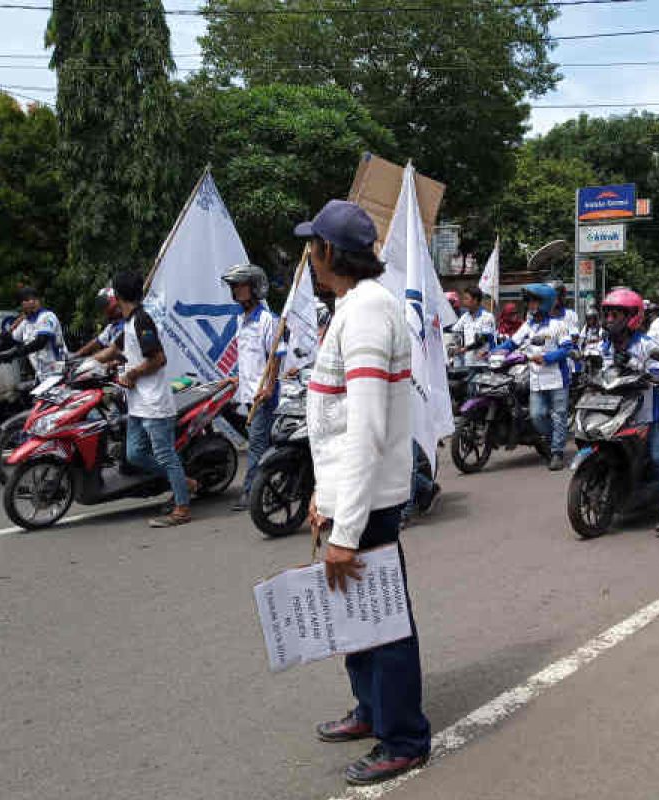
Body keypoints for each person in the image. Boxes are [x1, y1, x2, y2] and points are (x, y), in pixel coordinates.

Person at [296, 199, 431, 786]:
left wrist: (344, 532)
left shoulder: (370, 313)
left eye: (311, 245)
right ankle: (371, 709)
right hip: (351, 496)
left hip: (369, 502)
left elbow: (367, 428)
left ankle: (403, 737)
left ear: (329, 252)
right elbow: (337, 423)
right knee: (357, 617)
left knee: (383, 620)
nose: (307, 255)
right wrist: (322, 499)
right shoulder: (355, 307)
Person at [94, 271, 195, 527]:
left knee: (165, 455)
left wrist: (133, 373)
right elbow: (113, 351)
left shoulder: (142, 321)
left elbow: (159, 359)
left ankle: (182, 507)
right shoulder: (128, 323)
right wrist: (81, 365)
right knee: (135, 454)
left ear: (117, 296)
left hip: (154, 404)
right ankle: (184, 482)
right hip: (138, 403)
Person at [599, 288, 659, 537]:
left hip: (645, 410)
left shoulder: (647, 345)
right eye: (609, 315)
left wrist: (653, 374)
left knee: (657, 456)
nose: (611, 320)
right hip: (614, 408)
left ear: (632, 317)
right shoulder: (605, 344)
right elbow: (600, 370)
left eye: (616, 315)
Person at [221, 263, 283, 511]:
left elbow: (276, 355)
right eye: (234, 286)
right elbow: (248, 356)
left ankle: (250, 491)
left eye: (240, 285)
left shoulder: (268, 320)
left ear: (255, 287)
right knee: (262, 444)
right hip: (246, 393)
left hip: (263, 396)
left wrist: (269, 387)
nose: (236, 291)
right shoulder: (240, 320)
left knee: (257, 445)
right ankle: (270, 485)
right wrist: (236, 377)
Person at [495, 283, 574, 470]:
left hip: (557, 379)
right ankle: (554, 438)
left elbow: (566, 348)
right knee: (537, 416)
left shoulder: (558, 325)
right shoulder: (527, 326)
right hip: (536, 380)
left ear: (544, 303)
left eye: (533, 301)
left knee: (559, 416)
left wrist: (546, 358)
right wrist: (494, 351)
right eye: (529, 301)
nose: (529, 305)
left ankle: (557, 453)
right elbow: (512, 343)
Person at [9, 286, 67, 380]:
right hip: (41, 374)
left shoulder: (47, 316)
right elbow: (11, 340)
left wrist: (16, 353)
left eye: (23, 301)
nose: (22, 306)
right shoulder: (26, 322)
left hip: (56, 372)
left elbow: (40, 342)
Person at [450, 286, 496, 368]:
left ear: (475, 300)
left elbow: (483, 339)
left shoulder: (487, 317)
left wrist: (464, 349)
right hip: (469, 362)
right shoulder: (465, 317)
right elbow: (454, 331)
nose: (463, 301)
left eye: (466, 298)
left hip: (484, 363)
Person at [74, 288, 125, 359]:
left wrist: (92, 360)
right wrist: (76, 355)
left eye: (105, 304)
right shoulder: (111, 327)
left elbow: (113, 351)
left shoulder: (130, 322)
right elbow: (97, 342)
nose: (105, 309)